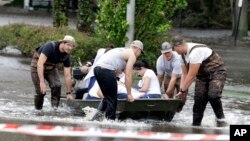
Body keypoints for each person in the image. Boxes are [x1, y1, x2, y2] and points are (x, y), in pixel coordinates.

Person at [171, 36, 227, 126]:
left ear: (179, 46)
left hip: (217, 72)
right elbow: (185, 74)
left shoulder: (195, 52)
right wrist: (181, 91)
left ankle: (221, 119)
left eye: (174, 49)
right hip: (202, 76)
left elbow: (191, 75)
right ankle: (195, 126)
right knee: (198, 101)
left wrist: (183, 90)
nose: (174, 51)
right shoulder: (180, 56)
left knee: (213, 96)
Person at [91, 40, 144, 121]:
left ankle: (96, 119)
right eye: (140, 53)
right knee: (112, 99)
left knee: (107, 97)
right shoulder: (132, 55)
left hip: (97, 69)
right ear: (138, 50)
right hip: (106, 69)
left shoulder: (122, 51)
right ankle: (110, 122)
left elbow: (117, 74)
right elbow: (128, 76)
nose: (139, 55)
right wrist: (129, 94)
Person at [30, 35, 75, 110]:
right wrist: (42, 82)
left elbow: (67, 75)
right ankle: (38, 111)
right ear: (62, 43)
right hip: (37, 66)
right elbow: (40, 64)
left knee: (57, 85)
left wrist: (69, 93)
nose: (70, 48)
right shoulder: (51, 47)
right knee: (41, 92)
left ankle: (54, 110)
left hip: (51, 68)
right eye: (68, 45)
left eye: (72, 46)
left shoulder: (67, 56)